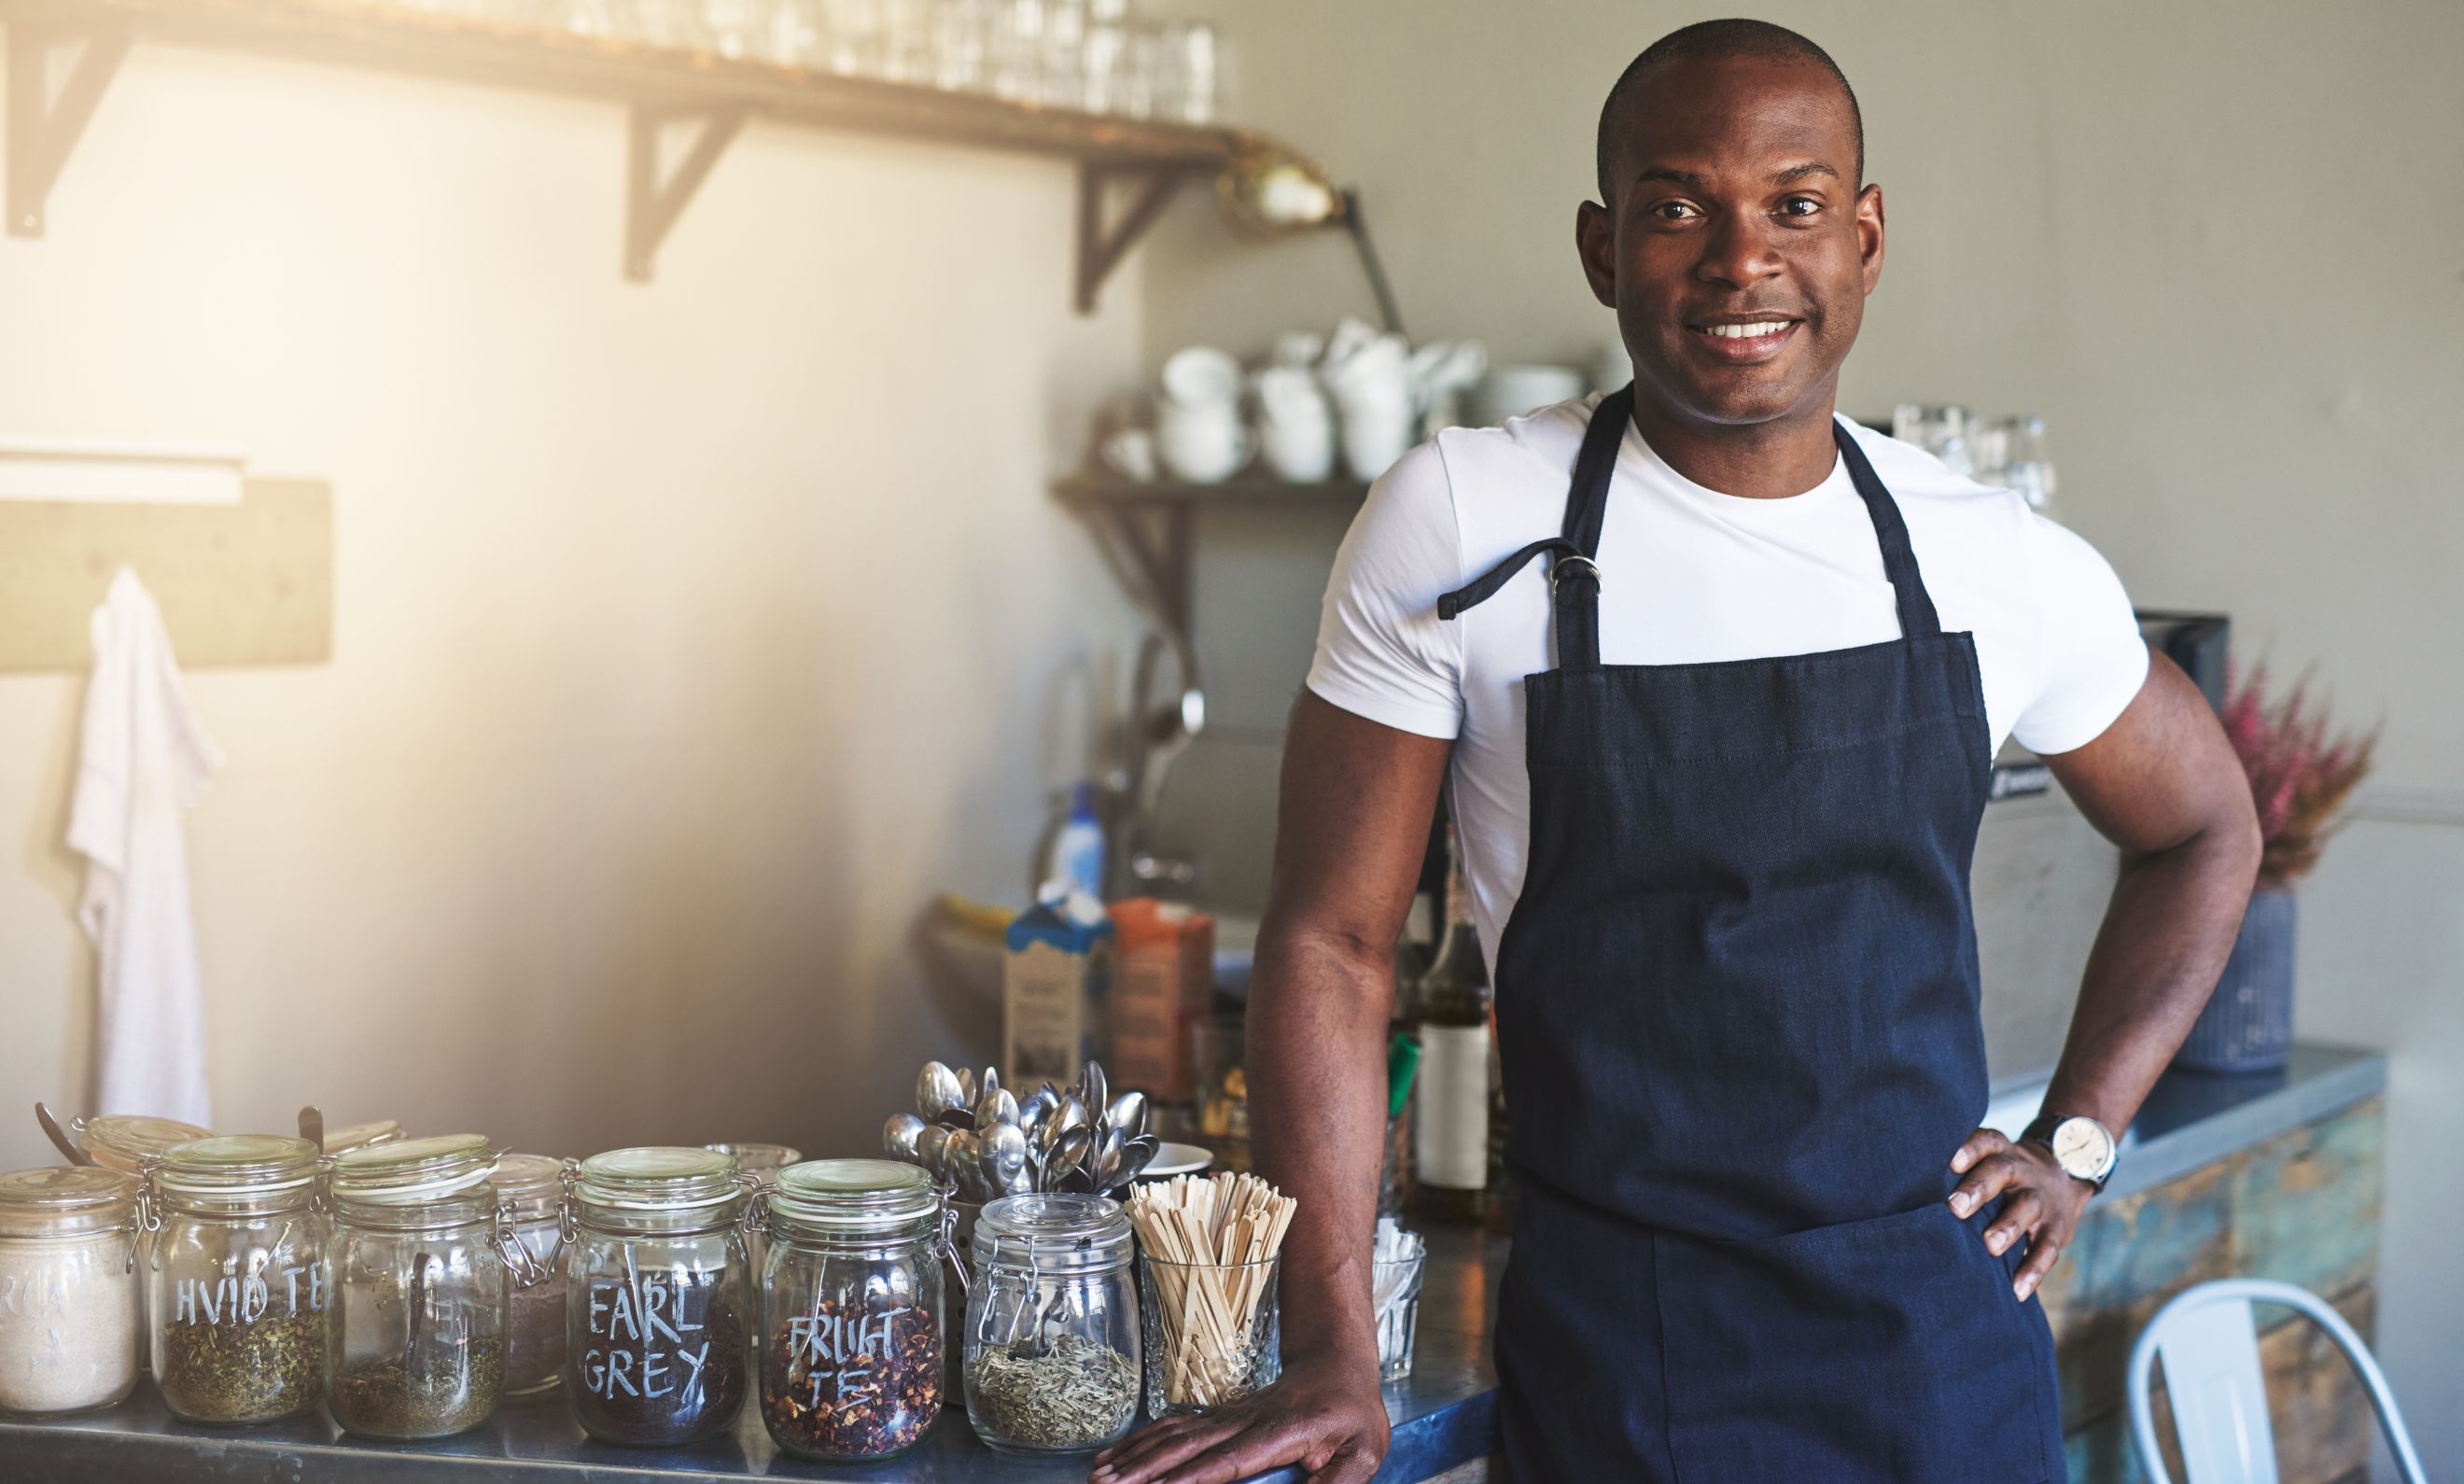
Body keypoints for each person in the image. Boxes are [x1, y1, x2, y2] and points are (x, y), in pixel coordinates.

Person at [1092, 19, 2261, 1484]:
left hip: (1938, 1359)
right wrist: (1329, 1340)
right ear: (1601, 248)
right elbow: (1331, 942)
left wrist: (2079, 1136)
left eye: (1796, 203)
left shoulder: (1986, 558)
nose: (1741, 259)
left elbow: (2207, 822)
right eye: (1677, 206)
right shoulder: (1461, 518)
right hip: (1622, 1353)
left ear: (1867, 236)